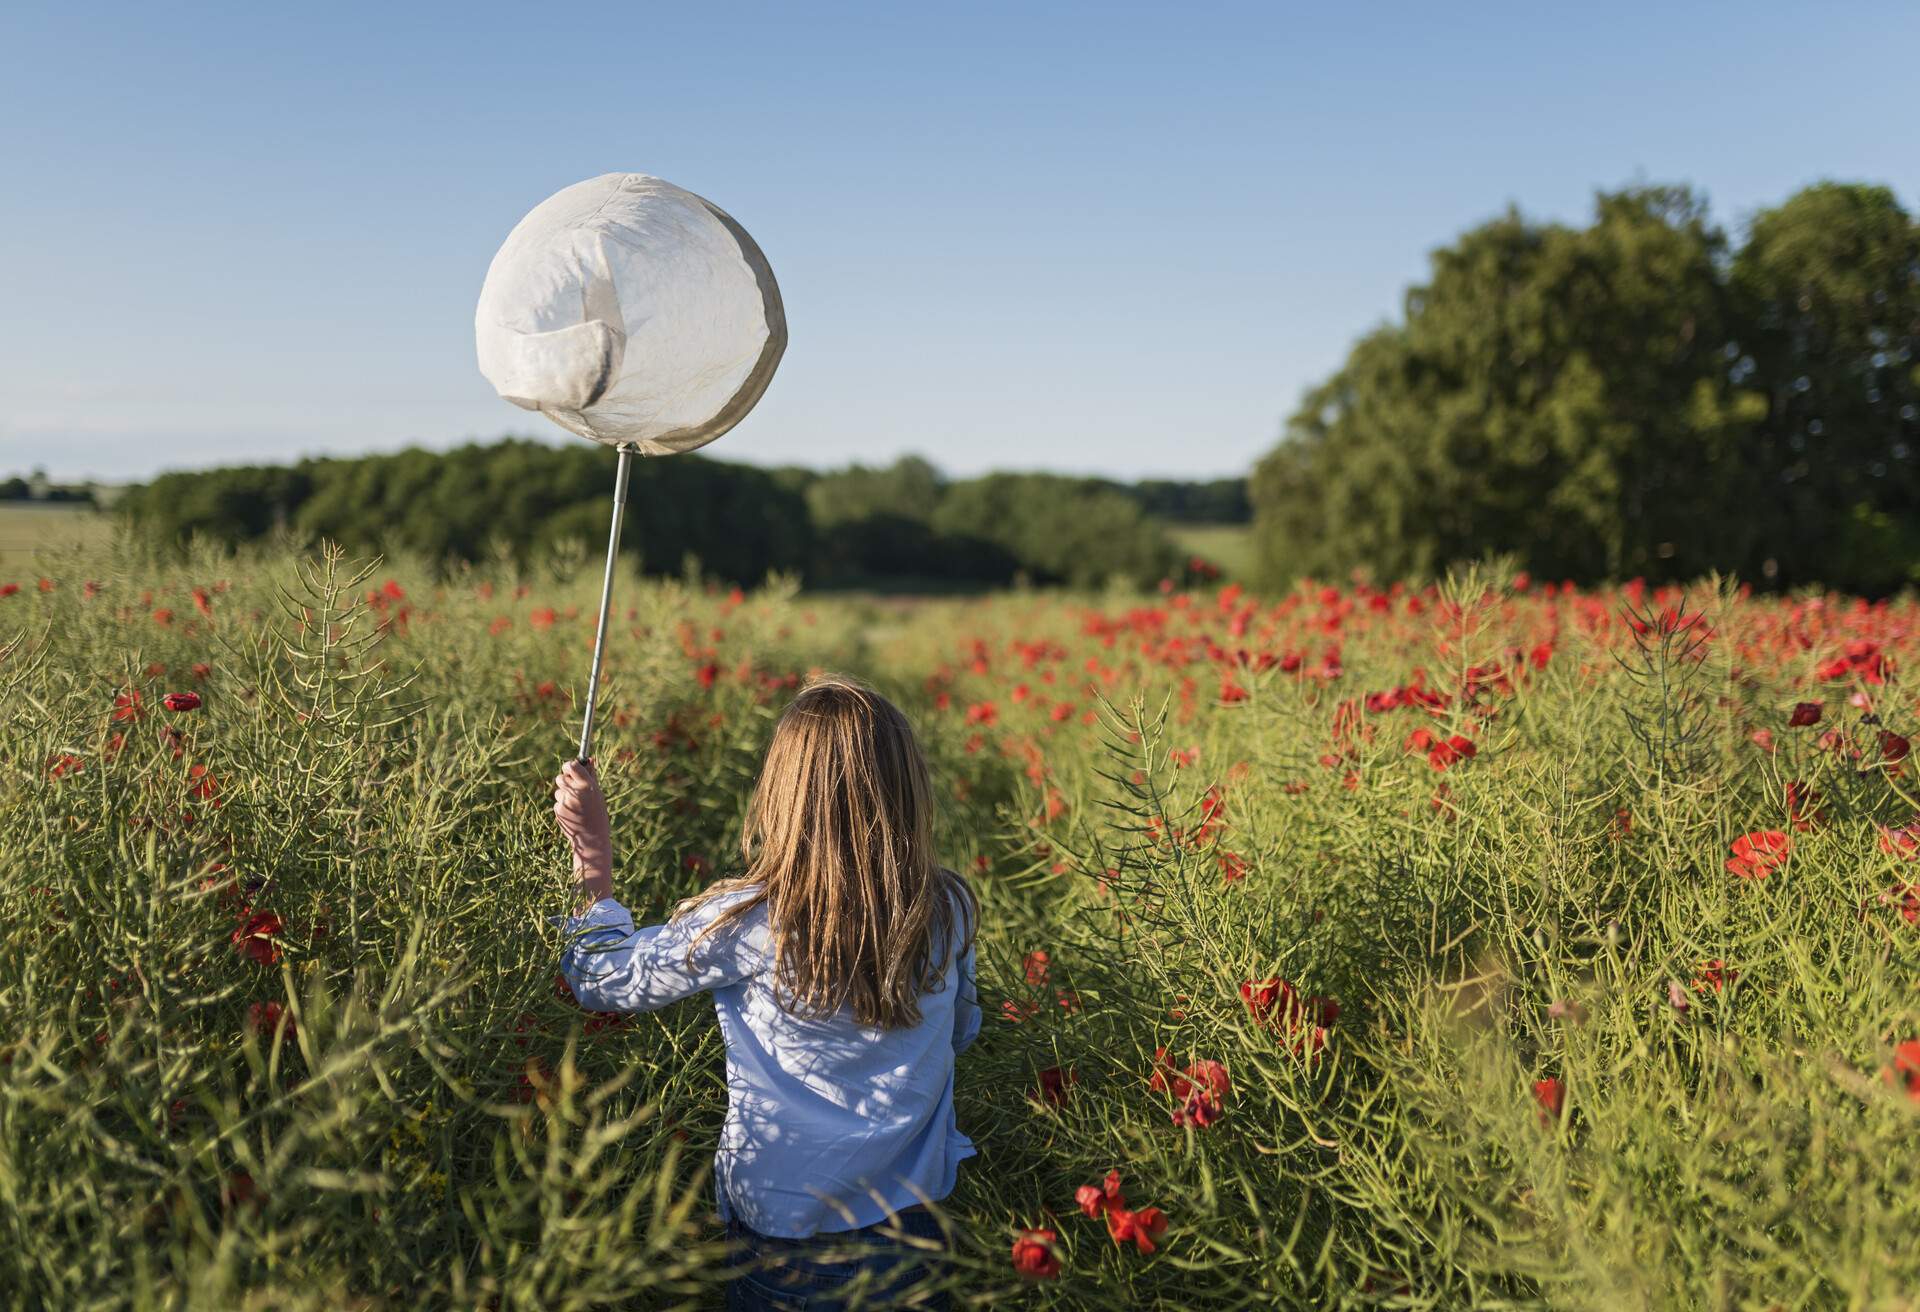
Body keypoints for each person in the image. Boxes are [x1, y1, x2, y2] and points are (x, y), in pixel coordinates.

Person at [552, 675, 980, 1311]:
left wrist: (594, 864)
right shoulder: (946, 906)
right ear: (907, 789)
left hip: (791, 1242)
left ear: (783, 794)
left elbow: (601, 977)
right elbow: (961, 1032)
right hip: (917, 1227)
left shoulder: (751, 920)